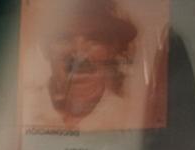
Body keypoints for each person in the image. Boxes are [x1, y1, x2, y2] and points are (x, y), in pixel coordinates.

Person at [22, 0, 149, 133]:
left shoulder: (133, 117)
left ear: (113, 49)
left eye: (94, 39)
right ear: (45, 48)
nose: (79, 54)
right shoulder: (20, 108)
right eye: (64, 38)